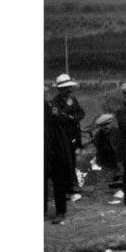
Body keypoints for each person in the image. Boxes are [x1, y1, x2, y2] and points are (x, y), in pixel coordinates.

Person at [44, 86, 74, 224]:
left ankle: (60, 212)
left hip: (55, 150)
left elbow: (63, 120)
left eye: (44, 93)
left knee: (59, 181)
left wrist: (60, 113)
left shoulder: (51, 107)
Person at [50, 73, 85, 192]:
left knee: (72, 160)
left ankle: (71, 184)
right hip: (62, 136)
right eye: (66, 88)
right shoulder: (54, 102)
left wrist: (71, 118)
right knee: (65, 160)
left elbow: (81, 113)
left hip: (74, 134)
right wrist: (68, 108)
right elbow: (58, 118)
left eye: (69, 87)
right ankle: (66, 186)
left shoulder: (73, 99)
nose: (69, 90)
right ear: (60, 89)